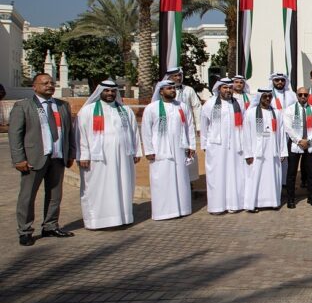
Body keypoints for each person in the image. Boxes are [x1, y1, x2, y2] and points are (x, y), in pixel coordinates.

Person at [9, 73, 76, 245]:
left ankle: (50, 226)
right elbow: (15, 135)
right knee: (27, 196)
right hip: (33, 159)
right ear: (35, 86)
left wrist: (70, 153)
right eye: (45, 83)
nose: (49, 85)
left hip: (57, 157)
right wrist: (19, 159)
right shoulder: (23, 106)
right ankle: (25, 231)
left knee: (55, 195)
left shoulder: (62, 106)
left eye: (52, 83)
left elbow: (70, 132)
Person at [77, 80, 140, 229]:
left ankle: (122, 218)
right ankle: (97, 221)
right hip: (98, 159)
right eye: (107, 91)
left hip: (123, 157)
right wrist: (83, 155)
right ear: (100, 92)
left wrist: (136, 151)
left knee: (123, 184)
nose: (110, 94)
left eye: (113, 91)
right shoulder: (88, 111)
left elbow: (134, 132)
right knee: (97, 187)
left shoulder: (126, 110)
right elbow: (80, 135)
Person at [142, 80, 197, 220]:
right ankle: (163, 212)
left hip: (180, 149)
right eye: (169, 88)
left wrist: (191, 146)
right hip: (160, 150)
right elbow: (146, 130)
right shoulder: (152, 108)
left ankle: (182, 209)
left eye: (174, 88)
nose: (173, 90)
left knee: (181, 179)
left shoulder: (182, 107)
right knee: (161, 179)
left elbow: (189, 126)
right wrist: (148, 150)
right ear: (161, 91)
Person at [201, 78, 248, 215]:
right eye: (225, 88)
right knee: (217, 175)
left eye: (230, 88)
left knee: (236, 174)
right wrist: (205, 144)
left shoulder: (238, 104)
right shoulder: (209, 104)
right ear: (219, 89)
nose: (228, 90)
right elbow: (204, 126)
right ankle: (217, 206)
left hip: (236, 145)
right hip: (216, 147)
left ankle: (235, 204)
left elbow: (244, 124)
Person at [242, 87, 284, 212]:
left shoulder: (277, 113)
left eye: (269, 96)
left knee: (272, 177)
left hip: (272, 151)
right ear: (259, 97)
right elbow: (246, 135)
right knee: (255, 177)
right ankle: (253, 204)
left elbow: (281, 133)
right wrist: (248, 153)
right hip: (256, 152)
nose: (267, 98)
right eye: (265, 96)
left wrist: (282, 152)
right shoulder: (251, 113)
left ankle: (273, 202)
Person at [282, 86, 312, 208]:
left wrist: (308, 140)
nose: (303, 97)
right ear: (297, 96)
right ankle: (291, 199)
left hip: (309, 143)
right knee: (291, 173)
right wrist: (299, 140)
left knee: (310, 172)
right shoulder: (290, 110)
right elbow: (288, 128)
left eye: (305, 95)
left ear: (308, 96)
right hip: (295, 144)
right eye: (300, 95)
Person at [166, 67, 203, 183]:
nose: (178, 78)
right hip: (169, 129)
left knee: (189, 152)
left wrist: (199, 126)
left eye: (179, 75)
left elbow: (196, 107)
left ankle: (189, 181)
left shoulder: (189, 90)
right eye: (175, 76)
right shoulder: (165, 90)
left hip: (186, 127)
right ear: (170, 77)